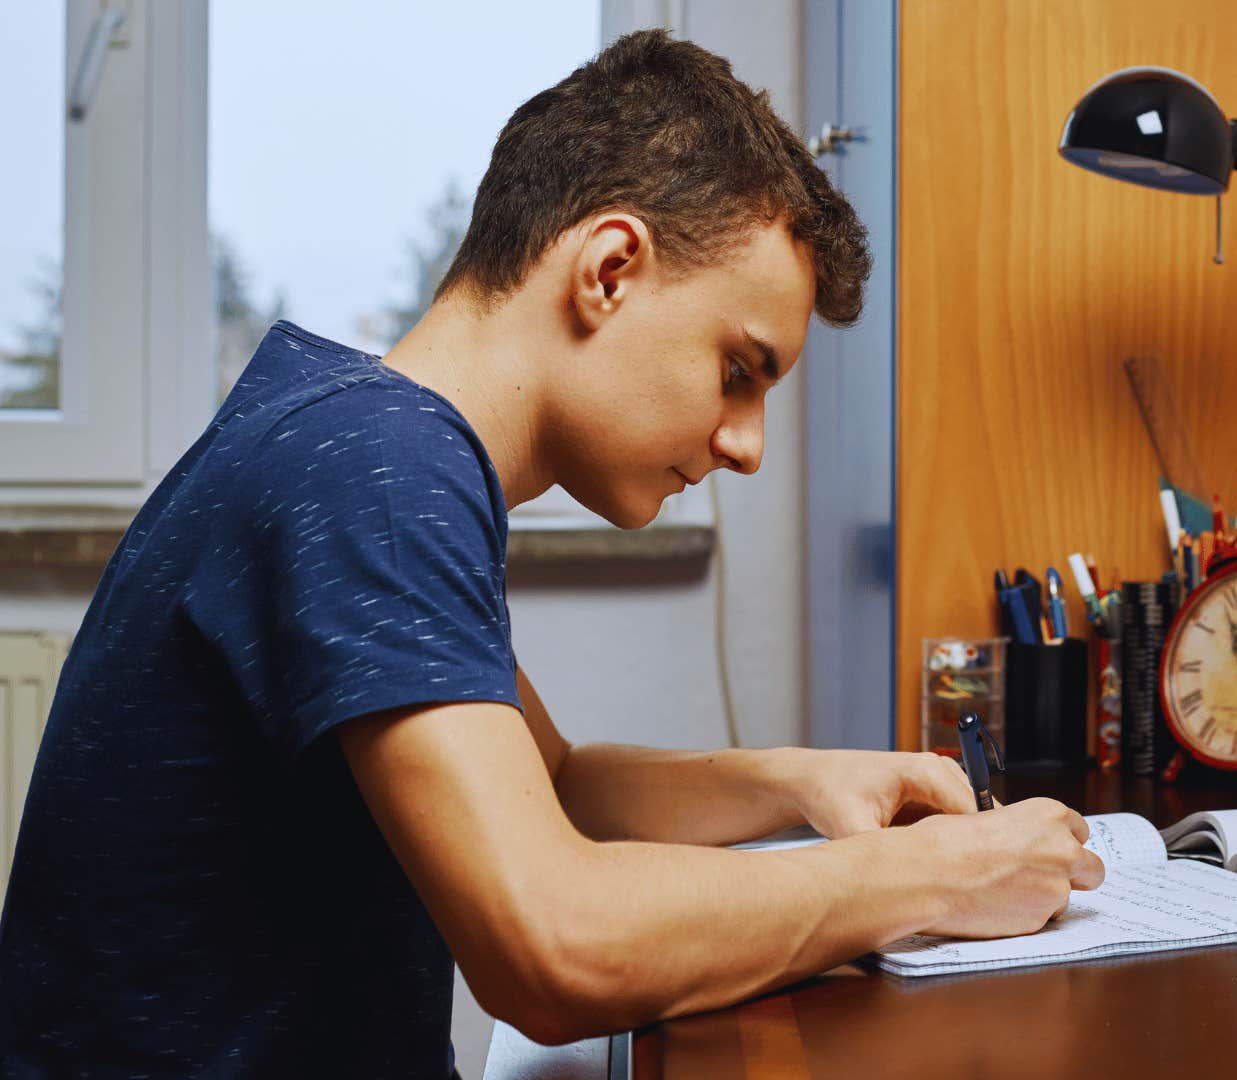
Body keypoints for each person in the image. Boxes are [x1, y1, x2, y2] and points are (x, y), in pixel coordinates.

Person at [0, 29, 1104, 1077]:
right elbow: (552, 948)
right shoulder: (374, 464)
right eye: (737, 369)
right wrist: (919, 876)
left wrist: (808, 782)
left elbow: (559, 786)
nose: (748, 446)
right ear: (609, 269)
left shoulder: (340, 427)